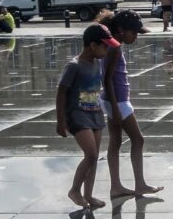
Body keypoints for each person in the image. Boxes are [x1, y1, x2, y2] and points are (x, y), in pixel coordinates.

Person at [97, 10, 162, 199]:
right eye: (134, 33)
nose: (136, 37)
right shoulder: (115, 47)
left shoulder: (111, 44)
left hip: (112, 100)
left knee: (115, 142)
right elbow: (107, 79)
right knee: (138, 139)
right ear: (121, 30)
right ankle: (140, 184)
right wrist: (116, 109)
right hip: (118, 101)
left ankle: (116, 186)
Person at [56, 23, 120, 209]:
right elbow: (61, 92)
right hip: (77, 115)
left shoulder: (97, 63)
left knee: (94, 157)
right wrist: (61, 121)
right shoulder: (74, 66)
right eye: (105, 46)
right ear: (92, 45)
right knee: (91, 155)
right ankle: (74, 190)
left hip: (95, 114)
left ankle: (89, 196)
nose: (107, 50)